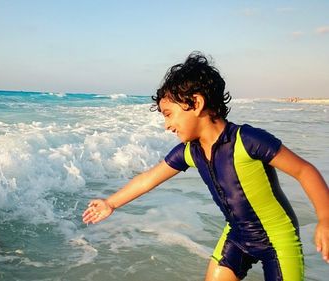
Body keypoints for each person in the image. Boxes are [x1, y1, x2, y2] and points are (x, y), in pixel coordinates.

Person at [82, 52, 329, 281]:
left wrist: (325, 218)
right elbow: (149, 178)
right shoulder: (191, 151)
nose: (166, 125)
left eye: (168, 114)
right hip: (237, 235)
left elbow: (304, 170)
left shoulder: (247, 141)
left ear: (196, 103)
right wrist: (111, 203)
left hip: (278, 239)